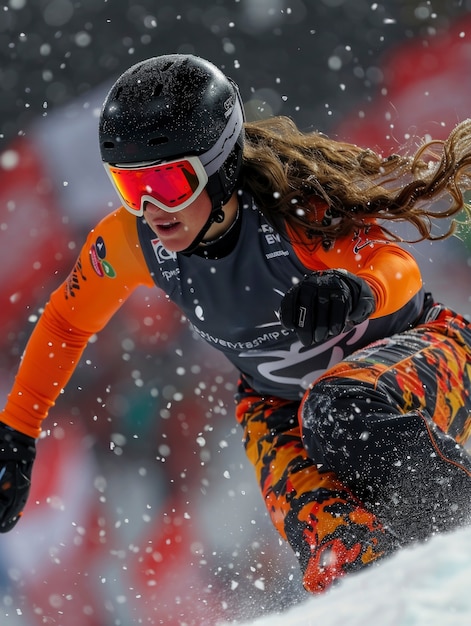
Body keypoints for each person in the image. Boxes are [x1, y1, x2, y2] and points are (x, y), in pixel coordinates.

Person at [0, 53, 470, 595]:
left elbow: (396, 266)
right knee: (333, 545)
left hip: (429, 355)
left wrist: (358, 290)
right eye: (132, 189)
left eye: (171, 184)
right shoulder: (131, 243)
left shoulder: (290, 207)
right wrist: (17, 433)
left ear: (218, 165)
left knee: (337, 411)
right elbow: (65, 321)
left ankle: (458, 534)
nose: (153, 208)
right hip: (278, 408)